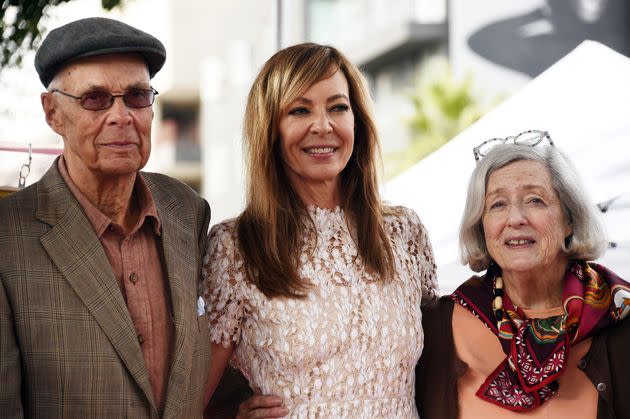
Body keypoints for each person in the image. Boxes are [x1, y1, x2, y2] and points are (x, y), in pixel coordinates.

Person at [200, 42, 439, 418]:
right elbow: (190, 399)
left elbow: (439, 367)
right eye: (300, 110)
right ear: (271, 129)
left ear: (357, 120)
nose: (323, 126)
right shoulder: (236, 247)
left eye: (338, 107)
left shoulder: (404, 234)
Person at [0, 17, 212, 418]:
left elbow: (201, 367)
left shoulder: (186, 210)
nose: (121, 116)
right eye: (95, 99)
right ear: (52, 113)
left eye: (136, 96)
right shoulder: (7, 237)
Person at [416, 130, 630, 418]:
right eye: (498, 204)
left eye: (535, 200)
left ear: (569, 219)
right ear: (482, 227)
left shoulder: (620, 320)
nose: (515, 219)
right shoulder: (435, 327)